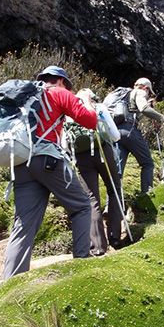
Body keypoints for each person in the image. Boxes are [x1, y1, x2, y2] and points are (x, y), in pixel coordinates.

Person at [2, 66, 98, 280]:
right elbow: (90, 121)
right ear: (61, 81)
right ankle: (82, 264)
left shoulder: (26, 97)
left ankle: (10, 281)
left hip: (20, 162)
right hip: (47, 159)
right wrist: (88, 102)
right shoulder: (59, 92)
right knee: (82, 206)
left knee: (24, 223)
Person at [63, 89, 123, 253]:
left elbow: (64, 143)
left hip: (81, 157)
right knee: (114, 189)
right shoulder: (99, 107)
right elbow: (116, 135)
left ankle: (98, 246)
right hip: (103, 152)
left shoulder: (68, 112)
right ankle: (115, 236)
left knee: (91, 198)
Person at [116, 77, 164, 194]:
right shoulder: (140, 92)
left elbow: (134, 109)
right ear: (146, 88)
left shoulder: (124, 94)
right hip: (130, 131)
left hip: (117, 132)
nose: (148, 95)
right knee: (147, 164)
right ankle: (147, 194)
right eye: (149, 92)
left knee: (118, 170)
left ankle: (112, 205)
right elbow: (143, 108)